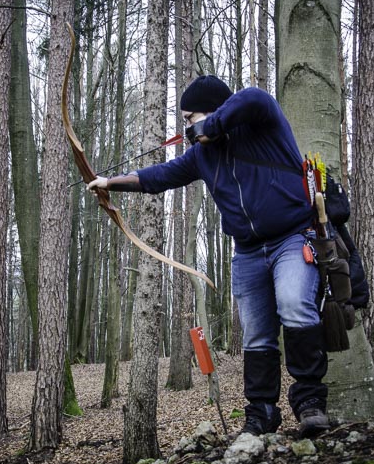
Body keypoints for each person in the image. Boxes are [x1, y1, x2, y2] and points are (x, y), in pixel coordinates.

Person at [87, 75, 330, 438]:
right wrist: (110, 183)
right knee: (256, 335)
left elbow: (253, 97)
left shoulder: (261, 123)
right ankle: (261, 414)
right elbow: (160, 176)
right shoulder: (202, 155)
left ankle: (310, 403)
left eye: (190, 117)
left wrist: (208, 126)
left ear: (214, 110)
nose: (187, 126)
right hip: (248, 252)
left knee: (295, 304)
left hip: (292, 238)